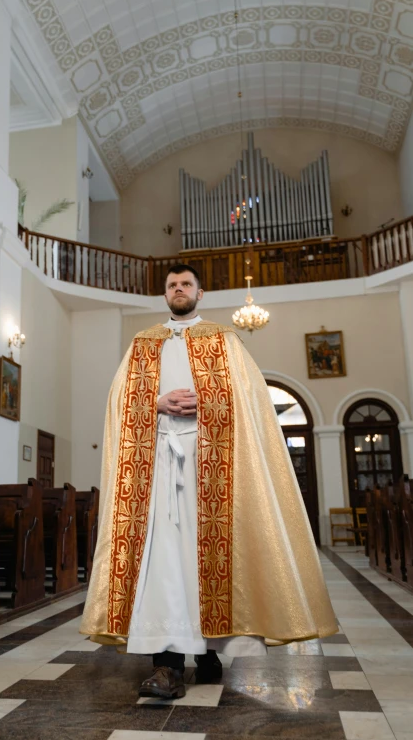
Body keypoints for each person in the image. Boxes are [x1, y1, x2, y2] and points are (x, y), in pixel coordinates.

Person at [80, 264, 337, 699]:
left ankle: (208, 652)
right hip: (159, 466)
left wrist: (214, 399)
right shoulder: (144, 343)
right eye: (171, 285)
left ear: (201, 293)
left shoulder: (226, 340)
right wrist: (155, 400)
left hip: (212, 467)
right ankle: (166, 665)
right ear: (165, 295)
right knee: (163, 560)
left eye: (185, 284)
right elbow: (119, 400)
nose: (178, 290)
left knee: (209, 560)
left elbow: (249, 399)